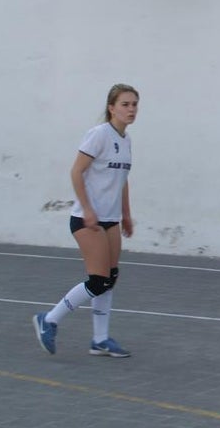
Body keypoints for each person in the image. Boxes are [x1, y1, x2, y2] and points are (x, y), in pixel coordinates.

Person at [32, 84, 140, 358]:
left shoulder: (126, 140)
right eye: (125, 104)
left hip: (111, 219)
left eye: (134, 104)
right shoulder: (98, 135)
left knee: (111, 277)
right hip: (86, 219)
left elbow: (122, 180)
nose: (131, 109)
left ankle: (100, 340)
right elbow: (76, 172)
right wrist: (89, 209)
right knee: (98, 280)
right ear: (111, 107)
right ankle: (49, 319)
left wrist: (125, 214)